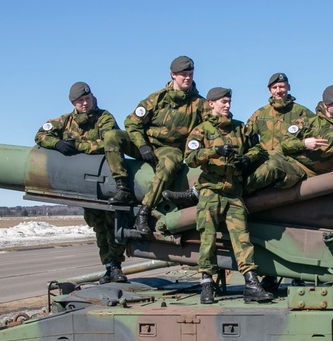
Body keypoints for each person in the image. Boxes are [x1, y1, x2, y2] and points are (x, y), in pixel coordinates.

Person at [163, 71, 312, 208]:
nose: (279, 90)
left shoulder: (302, 113)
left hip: (288, 163)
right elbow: (246, 139)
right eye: (275, 87)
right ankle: (198, 191)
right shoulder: (261, 114)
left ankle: (223, 192)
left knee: (270, 167)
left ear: (289, 87)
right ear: (270, 90)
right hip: (263, 160)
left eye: (282, 86)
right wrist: (243, 157)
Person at [35, 81, 133, 283]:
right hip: (86, 186)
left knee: (112, 226)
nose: (85, 104)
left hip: (107, 181)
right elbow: (40, 135)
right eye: (80, 101)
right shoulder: (65, 121)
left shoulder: (104, 117)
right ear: (73, 102)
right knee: (99, 228)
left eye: (87, 99)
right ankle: (108, 267)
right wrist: (58, 143)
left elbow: (108, 142)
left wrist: (79, 145)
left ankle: (116, 265)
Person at [185, 87, 273, 304]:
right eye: (222, 102)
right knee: (207, 239)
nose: (227, 105)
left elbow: (258, 149)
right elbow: (190, 157)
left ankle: (251, 283)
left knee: (242, 239)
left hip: (233, 193)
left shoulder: (240, 129)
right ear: (211, 104)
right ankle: (207, 283)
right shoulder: (201, 131)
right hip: (211, 192)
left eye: (228, 101)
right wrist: (216, 151)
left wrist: (248, 159)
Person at [125, 55, 206, 234]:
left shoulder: (199, 104)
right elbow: (132, 122)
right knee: (113, 137)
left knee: (169, 164)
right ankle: (120, 186)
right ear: (173, 75)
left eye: (190, 74)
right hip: (145, 146)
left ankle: (144, 211)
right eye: (183, 74)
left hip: (170, 150)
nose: (187, 78)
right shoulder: (157, 99)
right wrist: (142, 145)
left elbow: (211, 126)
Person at [245, 84, 333, 191]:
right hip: (289, 160)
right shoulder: (308, 121)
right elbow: (285, 144)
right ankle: (233, 192)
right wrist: (304, 143)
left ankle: (239, 193)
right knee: (255, 160)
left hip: (305, 171)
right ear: (326, 104)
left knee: (271, 167)